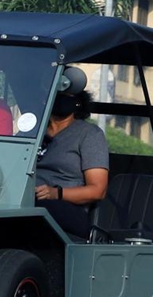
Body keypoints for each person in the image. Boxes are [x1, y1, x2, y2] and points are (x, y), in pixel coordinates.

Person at [35, 90, 109, 238]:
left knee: (34, 209)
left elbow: (98, 190)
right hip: (27, 198)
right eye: (56, 94)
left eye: (67, 96)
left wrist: (56, 193)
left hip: (68, 207)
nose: (60, 99)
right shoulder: (35, 132)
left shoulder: (89, 134)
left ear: (78, 102)